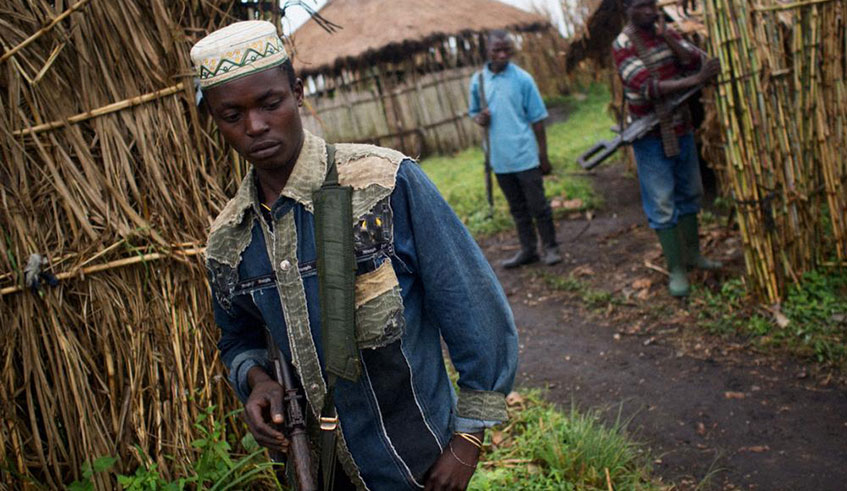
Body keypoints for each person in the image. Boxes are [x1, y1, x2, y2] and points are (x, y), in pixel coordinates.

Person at [191, 21, 518, 490]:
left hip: (418, 465)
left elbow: (473, 310)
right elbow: (237, 340)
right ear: (215, 122)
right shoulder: (229, 241)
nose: (255, 126)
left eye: (270, 104)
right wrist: (256, 381)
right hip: (318, 473)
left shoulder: (383, 184)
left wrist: (468, 441)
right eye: (232, 115)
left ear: (297, 93)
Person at [613, 0, 722, 297]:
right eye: (642, 6)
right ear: (628, 8)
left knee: (690, 193)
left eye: (653, 5)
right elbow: (649, 88)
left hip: (680, 128)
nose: (650, 11)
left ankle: (692, 256)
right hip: (650, 136)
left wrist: (670, 40)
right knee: (662, 203)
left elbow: (692, 60)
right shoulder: (623, 44)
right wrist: (697, 80)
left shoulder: (666, 33)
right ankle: (676, 270)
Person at [468, 30, 562, 269]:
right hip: (499, 159)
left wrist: (543, 155)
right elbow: (474, 113)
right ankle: (528, 250)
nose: (501, 54)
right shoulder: (478, 81)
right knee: (517, 209)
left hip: (525, 155)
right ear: (486, 51)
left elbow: (538, 120)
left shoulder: (522, 79)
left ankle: (550, 247)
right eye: (496, 50)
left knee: (538, 205)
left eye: (506, 50)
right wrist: (480, 118)